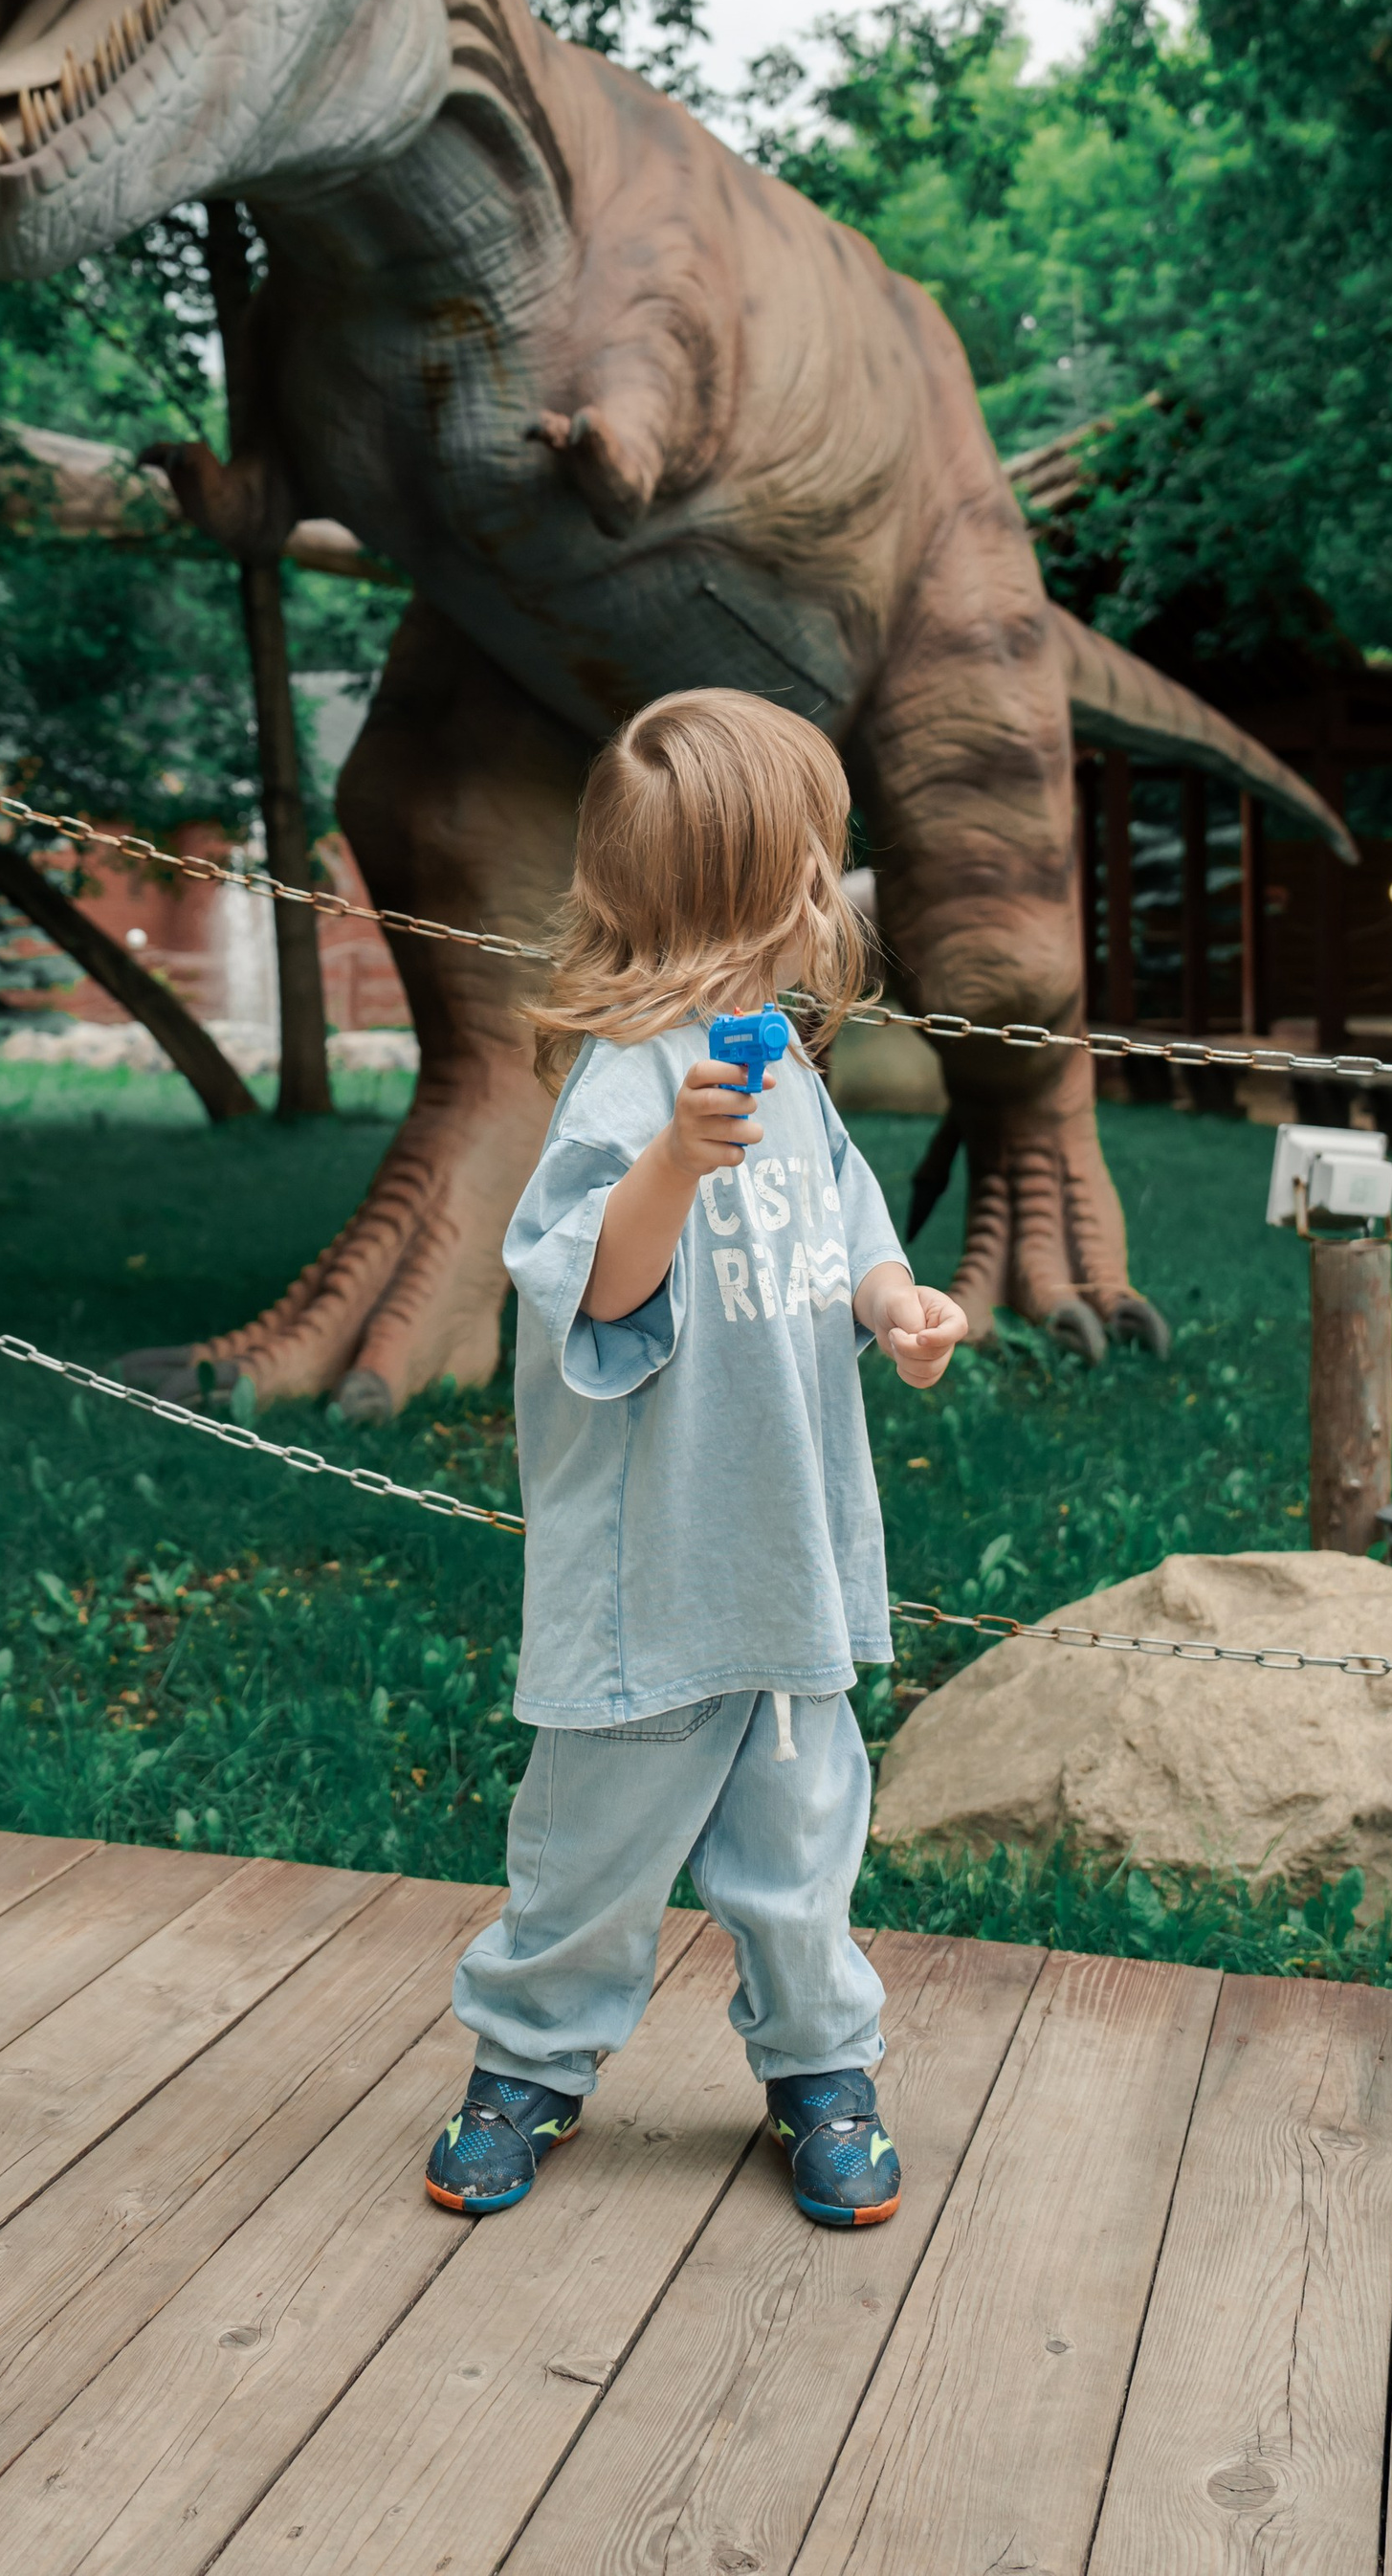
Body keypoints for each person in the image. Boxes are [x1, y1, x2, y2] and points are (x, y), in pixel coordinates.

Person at [425, 690, 964, 2233]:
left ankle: (823, 2065)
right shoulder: (626, 1082)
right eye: (820, 852)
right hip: (649, 1579)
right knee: (590, 1846)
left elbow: (849, 1225)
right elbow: (592, 1286)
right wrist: (673, 1161)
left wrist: (897, 1303)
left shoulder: (783, 1067)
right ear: (780, 873)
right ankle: (526, 2059)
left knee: (802, 1845)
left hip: (783, 1548)